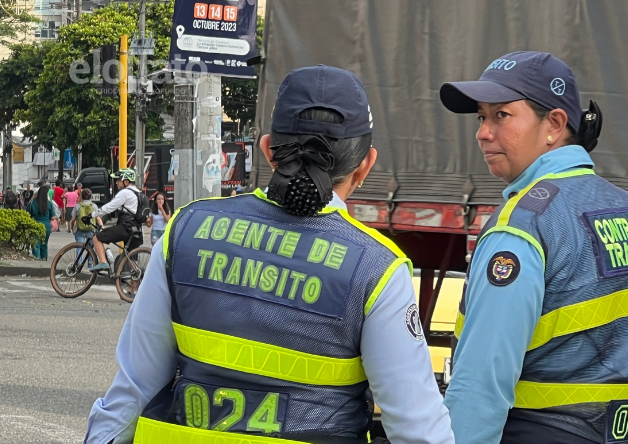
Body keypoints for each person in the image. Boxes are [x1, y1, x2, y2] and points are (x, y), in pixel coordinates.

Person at [84, 66, 454, 444]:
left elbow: (130, 394)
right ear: (365, 164)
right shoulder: (376, 270)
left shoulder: (185, 231)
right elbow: (417, 430)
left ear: (267, 149)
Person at [439, 51, 628, 444]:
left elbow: (482, 381)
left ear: (554, 124)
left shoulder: (523, 224)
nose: (483, 132)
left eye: (501, 115)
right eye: (481, 117)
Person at [83, 169, 143, 272]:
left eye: (118, 180)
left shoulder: (125, 192)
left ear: (126, 182)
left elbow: (109, 207)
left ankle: (103, 263)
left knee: (97, 237)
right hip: (136, 230)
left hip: (125, 228)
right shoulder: (139, 194)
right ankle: (135, 288)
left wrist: (91, 215)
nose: (116, 182)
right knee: (132, 263)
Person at [26, 185, 57, 260]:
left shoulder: (32, 202)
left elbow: (27, 214)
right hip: (46, 227)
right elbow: (53, 217)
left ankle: (37, 260)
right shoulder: (49, 203)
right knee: (44, 244)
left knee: (36, 244)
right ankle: (43, 259)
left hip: (35, 225)